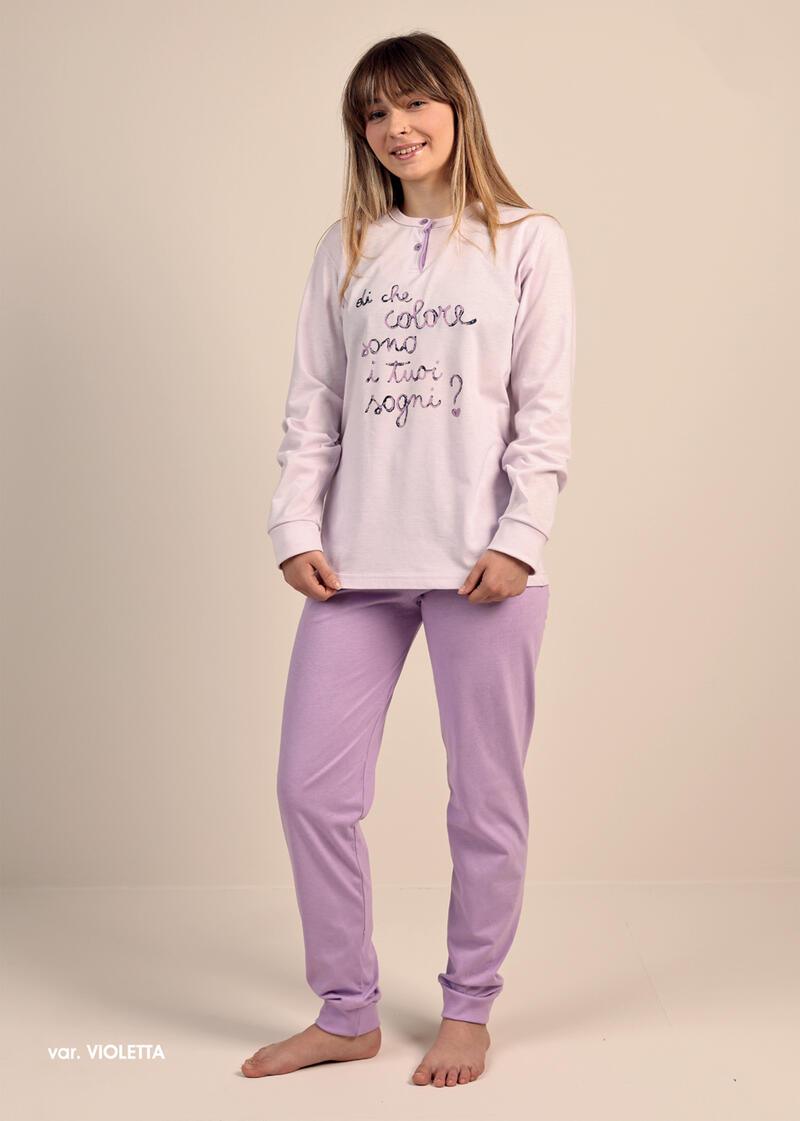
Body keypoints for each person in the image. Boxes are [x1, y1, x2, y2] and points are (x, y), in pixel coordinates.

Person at [242, 30, 576, 1087]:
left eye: (414, 103)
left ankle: (468, 1006)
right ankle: (346, 1009)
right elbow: (314, 404)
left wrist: (519, 539)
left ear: (457, 106)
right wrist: (295, 527)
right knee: (311, 789)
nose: (396, 127)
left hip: (483, 570)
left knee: (483, 802)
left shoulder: (526, 242)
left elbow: (544, 412)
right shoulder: (346, 247)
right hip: (355, 568)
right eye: (375, 113)